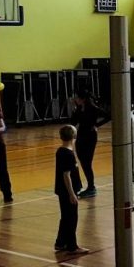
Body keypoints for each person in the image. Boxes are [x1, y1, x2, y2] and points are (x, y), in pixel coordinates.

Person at [54, 125, 88, 255]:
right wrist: (72, 194)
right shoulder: (67, 154)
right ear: (73, 136)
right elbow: (66, 175)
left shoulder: (61, 151)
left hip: (62, 190)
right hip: (67, 191)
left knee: (65, 217)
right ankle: (72, 246)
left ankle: (60, 242)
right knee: (71, 218)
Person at [69, 90, 110, 199]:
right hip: (80, 136)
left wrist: (96, 125)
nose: (75, 99)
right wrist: (74, 110)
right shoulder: (79, 108)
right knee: (83, 162)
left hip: (90, 137)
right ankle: (89, 187)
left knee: (87, 162)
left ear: (82, 99)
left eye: (77, 97)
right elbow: (73, 122)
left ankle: (91, 187)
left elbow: (108, 116)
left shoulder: (93, 108)